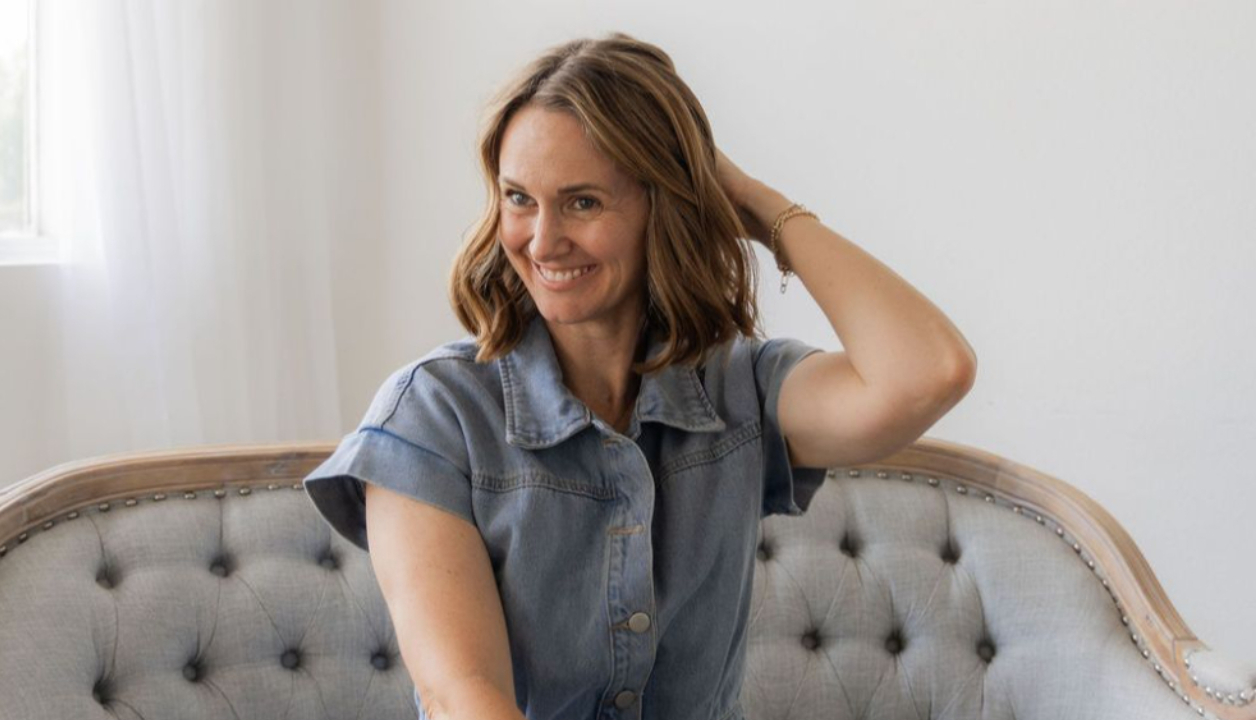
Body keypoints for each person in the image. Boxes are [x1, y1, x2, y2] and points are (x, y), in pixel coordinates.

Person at [302, 31, 976, 720]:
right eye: (519, 198)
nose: (542, 241)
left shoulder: (741, 390)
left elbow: (931, 372)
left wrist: (756, 206)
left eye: (583, 202)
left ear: (664, 206)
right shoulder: (433, 415)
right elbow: (462, 698)